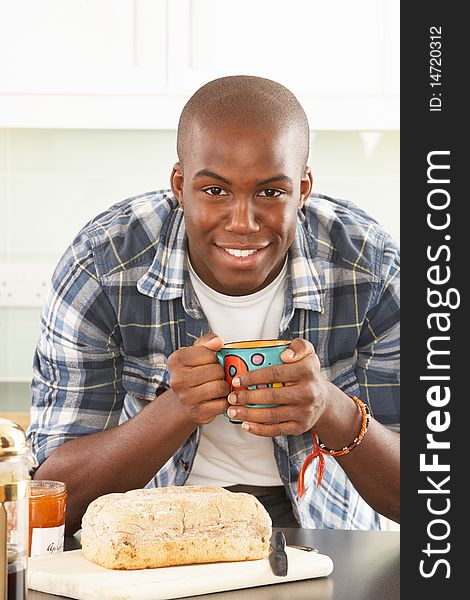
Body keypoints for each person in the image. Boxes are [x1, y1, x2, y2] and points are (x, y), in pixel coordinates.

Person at [28, 75, 400, 534]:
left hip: (326, 529)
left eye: (270, 192)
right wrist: (175, 410)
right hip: (153, 526)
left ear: (303, 189)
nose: (242, 223)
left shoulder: (370, 267)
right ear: (179, 185)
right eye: (215, 191)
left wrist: (331, 410)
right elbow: (52, 499)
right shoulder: (103, 267)